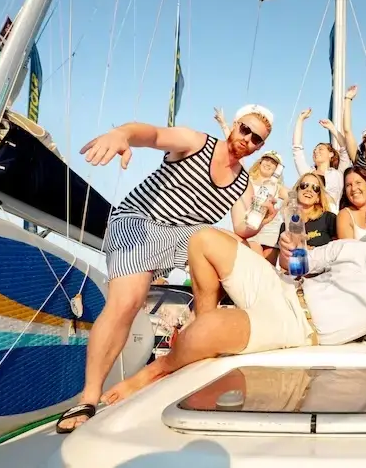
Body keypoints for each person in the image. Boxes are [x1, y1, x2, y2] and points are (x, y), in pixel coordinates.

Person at [55, 104, 277, 433]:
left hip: (184, 234)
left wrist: (260, 224)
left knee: (239, 246)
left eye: (256, 138)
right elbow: (154, 134)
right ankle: (89, 397)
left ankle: (207, 331)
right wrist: (122, 133)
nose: (247, 138)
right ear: (233, 125)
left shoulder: (244, 183)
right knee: (128, 302)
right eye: (244, 129)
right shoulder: (196, 142)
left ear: (259, 146)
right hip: (141, 221)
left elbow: (242, 227)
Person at [100, 190, 366, 404]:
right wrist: (291, 252)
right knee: (203, 239)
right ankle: (202, 339)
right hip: (282, 288)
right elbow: (299, 265)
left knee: (203, 332)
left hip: (298, 326)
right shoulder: (348, 247)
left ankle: (159, 368)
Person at [291, 108, 350, 209]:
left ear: (331, 154)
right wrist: (300, 119)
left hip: (331, 219)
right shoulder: (308, 172)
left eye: (320, 149)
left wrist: (332, 128)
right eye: (315, 150)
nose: (316, 151)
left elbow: (345, 149)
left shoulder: (339, 174)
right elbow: (297, 149)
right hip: (310, 217)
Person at [246, 150, 289, 265]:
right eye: (266, 160)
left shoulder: (278, 187)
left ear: (277, 169)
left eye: (273, 163)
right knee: (256, 264)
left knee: (269, 269)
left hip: (271, 230)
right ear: (260, 162)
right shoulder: (247, 180)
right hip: (250, 226)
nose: (268, 164)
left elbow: (295, 196)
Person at [280, 172, 337, 248]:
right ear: (297, 192)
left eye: (315, 188)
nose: (309, 190)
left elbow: (339, 246)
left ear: (318, 197)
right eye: (304, 185)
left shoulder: (328, 218)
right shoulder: (286, 225)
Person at [336, 166, 366, 241]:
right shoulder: (345, 215)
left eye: (358, 183)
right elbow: (347, 250)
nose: (353, 188)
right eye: (348, 185)